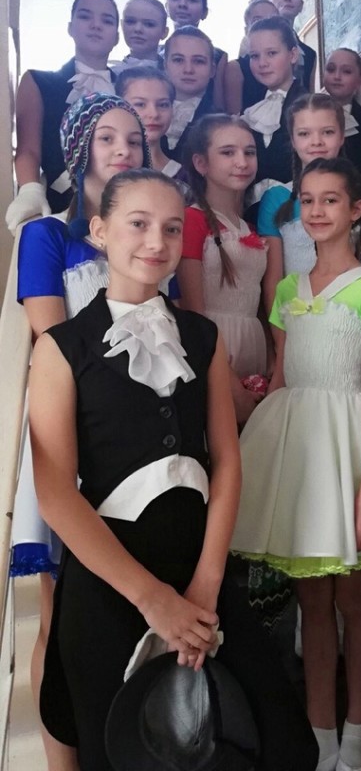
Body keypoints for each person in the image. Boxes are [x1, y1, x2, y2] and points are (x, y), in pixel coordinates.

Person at [28, 168, 318, 771]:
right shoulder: (61, 347)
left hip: (199, 567)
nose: (156, 242)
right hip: (111, 579)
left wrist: (205, 585)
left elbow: (227, 461)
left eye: (169, 228)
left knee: (276, 742)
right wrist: (153, 600)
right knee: (123, 748)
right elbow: (55, 492)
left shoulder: (202, 336)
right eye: (138, 224)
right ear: (101, 231)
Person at [231, 157, 361, 771]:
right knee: (312, 603)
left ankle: (358, 727)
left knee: (355, 599)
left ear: (355, 209)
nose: (317, 210)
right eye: (308, 200)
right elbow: (282, 373)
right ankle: (321, 735)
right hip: (299, 448)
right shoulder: (288, 290)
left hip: (349, 443)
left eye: (330, 200)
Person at [13, 93, 152, 771]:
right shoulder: (45, 235)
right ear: (79, 150)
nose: (122, 149)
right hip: (70, 425)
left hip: (135, 438)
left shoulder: (144, 233)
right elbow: (50, 337)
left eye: (133, 139)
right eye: (106, 138)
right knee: (59, 613)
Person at [176, 114, 268, 426]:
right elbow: (193, 311)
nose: (242, 162)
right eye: (228, 152)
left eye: (249, 152)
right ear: (201, 163)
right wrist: (227, 381)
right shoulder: (191, 220)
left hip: (253, 346)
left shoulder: (250, 227)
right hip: (214, 348)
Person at [6, 0, 120, 231]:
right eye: (85, 16)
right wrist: (30, 190)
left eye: (107, 20)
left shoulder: (128, 87)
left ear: (117, 37)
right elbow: (28, 149)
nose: (96, 25)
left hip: (122, 205)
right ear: (70, 27)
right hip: (58, 206)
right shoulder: (38, 81)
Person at [258, 93, 345, 315]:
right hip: (295, 317)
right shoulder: (277, 198)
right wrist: (278, 333)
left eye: (327, 132)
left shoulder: (356, 197)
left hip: (348, 315)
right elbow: (273, 281)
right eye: (304, 134)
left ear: (342, 136)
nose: (316, 141)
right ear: (293, 140)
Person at [239, 15, 309, 188]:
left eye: (271, 53)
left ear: (293, 55)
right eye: (254, 56)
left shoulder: (310, 106)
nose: (262, 63)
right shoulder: (250, 113)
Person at [321, 48, 361, 213]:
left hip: (356, 212)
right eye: (331, 69)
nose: (337, 76)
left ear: (359, 81)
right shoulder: (308, 118)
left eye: (346, 71)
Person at [165, 0, 228, 109]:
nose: (182, 4)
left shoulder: (218, 55)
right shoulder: (156, 54)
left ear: (204, 12)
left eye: (192, 0)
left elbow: (219, 103)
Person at [115, 66, 185, 182]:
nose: (154, 114)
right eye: (140, 104)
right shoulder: (106, 168)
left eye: (162, 105)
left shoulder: (183, 177)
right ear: (118, 106)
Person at [162, 25, 220, 163]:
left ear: (212, 70)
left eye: (198, 61)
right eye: (178, 60)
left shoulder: (220, 122)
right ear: (165, 66)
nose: (188, 69)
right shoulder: (143, 111)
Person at [224, 0, 280, 116]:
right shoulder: (236, 68)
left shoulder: (286, 60)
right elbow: (234, 116)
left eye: (272, 21)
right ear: (246, 30)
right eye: (257, 21)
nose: (265, 26)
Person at [267, 0, 316, 92]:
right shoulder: (252, 42)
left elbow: (309, 94)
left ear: (301, 5)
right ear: (268, 0)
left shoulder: (309, 54)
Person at [110, 0, 168, 73]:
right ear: (121, 24)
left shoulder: (174, 76)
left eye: (149, 24)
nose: (138, 29)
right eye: (130, 22)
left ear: (164, 32)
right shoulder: (109, 75)